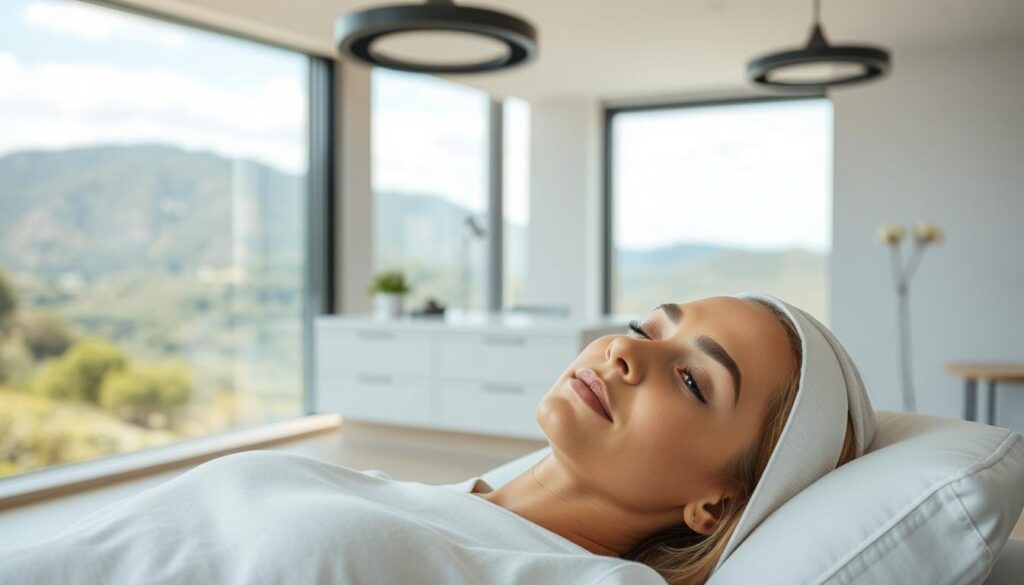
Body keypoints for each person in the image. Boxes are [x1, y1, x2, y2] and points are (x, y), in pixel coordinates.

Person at [0, 293, 876, 585]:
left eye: (693, 378)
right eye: (648, 324)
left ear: (717, 500)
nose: (625, 353)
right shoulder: (441, 503)